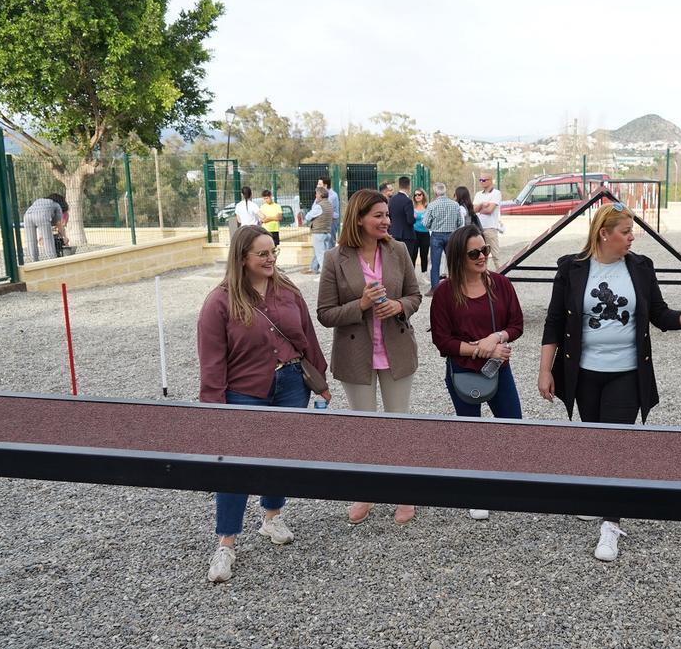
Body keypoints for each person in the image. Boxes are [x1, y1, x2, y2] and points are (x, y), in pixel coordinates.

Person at [538, 202, 681, 562]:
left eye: (632, 231)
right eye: (626, 232)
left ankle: (610, 525)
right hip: (583, 372)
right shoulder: (571, 268)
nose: (632, 237)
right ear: (604, 234)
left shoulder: (640, 267)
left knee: (618, 445)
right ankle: (600, 496)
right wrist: (545, 369)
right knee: (596, 440)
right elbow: (553, 322)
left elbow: (660, 315)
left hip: (627, 372)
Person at [197, 225, 330, 583]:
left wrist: (320, 380)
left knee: (280, 455)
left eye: (274, 251)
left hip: (291, 384)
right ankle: (226, 542)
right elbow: (212, 361)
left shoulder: (288, 291)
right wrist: (214, 407)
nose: (271, 259)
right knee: (236, 465)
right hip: (243, 391)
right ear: (243, 258)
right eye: (263, 254)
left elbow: (307, 337)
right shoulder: (219, 302)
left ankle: (272, 515)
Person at [317, 189, 423, 525]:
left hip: (397, 351)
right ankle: (366, 491)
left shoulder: (399, 250)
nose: (387, 221)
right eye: (379, 215)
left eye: (387, 215)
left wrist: (400, 306)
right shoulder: (335, 258)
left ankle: (405, 491)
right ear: (359, 218)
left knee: (397, 426)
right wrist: (360, 306)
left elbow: (415, 294)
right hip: (355, 355)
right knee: (365, 428)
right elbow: (325, 313)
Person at [430, 225, 525, 521]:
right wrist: (481, 349)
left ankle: (504, 481)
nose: (482, 256)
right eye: (474, 252)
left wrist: (497, 337)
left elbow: (517, 324)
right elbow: (441, 340)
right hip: (463, 370)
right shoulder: (445, 292)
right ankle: (476, 490)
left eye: (484, 249)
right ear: (459, 256)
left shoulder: (500, 284)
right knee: (472, 432)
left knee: (512, 425)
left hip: (498, 369)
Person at [422, 181, 464, 293]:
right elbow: (460, 222)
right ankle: (455, 286)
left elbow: (425, 223)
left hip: (436, 235)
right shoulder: (455, 204)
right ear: (445, 191)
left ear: (435, 192)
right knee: (452, 262)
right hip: (451, 235)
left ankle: (435, 289)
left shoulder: (432, 205)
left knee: (435, 263)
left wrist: (433, 226)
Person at [22, 194, 67, 262]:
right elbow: (59, 224)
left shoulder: (39, 200)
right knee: (48, 241)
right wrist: (64, 237)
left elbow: (38, 217)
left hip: (27, 216)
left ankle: (34, 261)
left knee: (31, 241)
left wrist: (41, 235)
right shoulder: (57, 205)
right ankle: (53, 261)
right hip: (42, 217)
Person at [473, 172, 504, 269]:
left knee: (495, 254)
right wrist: (483, 204)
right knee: (482, 255)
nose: (481, 182)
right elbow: (473, 210)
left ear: (490, 181)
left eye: (484, 180)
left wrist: (480, 208)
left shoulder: (496, 193)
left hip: (490, 227)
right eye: (480, 180)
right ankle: (483, 275)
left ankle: (501, 274)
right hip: (479, 228)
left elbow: (490, 210)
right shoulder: (478, 194)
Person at [388, 176, 417, 262]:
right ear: (409, 186)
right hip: (407, 236)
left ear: (399, 185)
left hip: (394, 234)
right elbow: (410, 220)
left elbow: (389, 216)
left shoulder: (392, 200)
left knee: (395, 260)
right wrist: (414, 217)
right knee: (407, 261)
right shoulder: (407, 201)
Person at [304, 188, 332, 275]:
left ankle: (325, 275)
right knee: (324, 255)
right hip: (327, 232)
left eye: (316, 194)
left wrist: (315, 203)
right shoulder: (329, 204)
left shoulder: (319, 206)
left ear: (320, 195)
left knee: (320, 256)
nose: (315, 196)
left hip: (318, 233)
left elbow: (308, 217)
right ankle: (317, 269)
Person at [316, 176, 340, 248]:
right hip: (321, 223)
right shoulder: (319, 194)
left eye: (319, 184)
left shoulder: (333, 196)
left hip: (331, 222)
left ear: (325, 186)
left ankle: (330, 259)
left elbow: (325, 209)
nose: (317, 186)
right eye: (318, 184)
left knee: (330, 245)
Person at [411, 188, 430, 274]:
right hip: (414, 233)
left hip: (425, 234)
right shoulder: (411, 207)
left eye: (419, 194)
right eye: (415, 195)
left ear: (423, 195)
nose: (417, 196)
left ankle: (424, 274)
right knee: (413, 255)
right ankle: (412, 275)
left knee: (424, 255)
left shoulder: (428, 207)